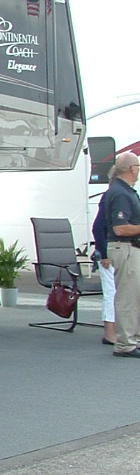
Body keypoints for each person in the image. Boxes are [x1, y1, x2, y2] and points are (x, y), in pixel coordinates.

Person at [102, 152, 140, 357]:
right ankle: (125, 343)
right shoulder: (121, 194)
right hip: (124, 248)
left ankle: (133, 338)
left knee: (135, 296)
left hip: (130, 249)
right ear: (132, 168)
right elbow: (120, 228)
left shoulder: (125, 191)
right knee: (127, 297)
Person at [91, 176, 117, 346]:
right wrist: (104, 253)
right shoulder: (110, 197)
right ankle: (109, 332)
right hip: (109, 253)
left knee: (116, 293)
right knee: (111, 292)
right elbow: (98, 227)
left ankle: (116, 330)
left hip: (116, 251)